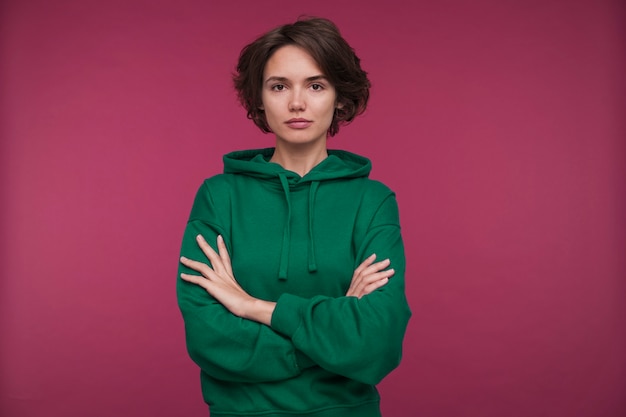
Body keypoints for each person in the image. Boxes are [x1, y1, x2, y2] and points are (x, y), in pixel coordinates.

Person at [177, 16, 411, 417]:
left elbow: (378, 342)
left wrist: (253, 307)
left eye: (316, 86)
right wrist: (331, 335)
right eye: (279, 86)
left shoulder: (372, 202)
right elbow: (208, 337)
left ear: (339, 97)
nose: (297, 103)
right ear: (259, 98)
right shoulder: (219, 197)